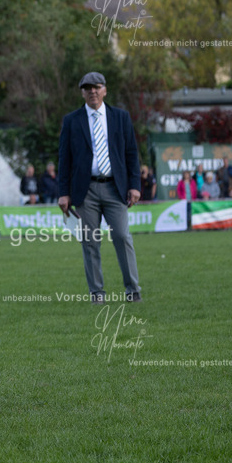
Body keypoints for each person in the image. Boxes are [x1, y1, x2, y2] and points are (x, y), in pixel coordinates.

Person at [58, 72, 142, 304]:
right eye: (87, 88)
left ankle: (133, 290)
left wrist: (135, 185)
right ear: (82, 92)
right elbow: (64, 159)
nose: (92, 91)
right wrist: (63, 192)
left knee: (123, 237)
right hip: (86, 192)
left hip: (116, 188)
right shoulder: (72, 120)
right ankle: (97, 293)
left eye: (96, 87)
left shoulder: (121, 117)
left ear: (105, 90)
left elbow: (131, 153)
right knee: (90, 241)